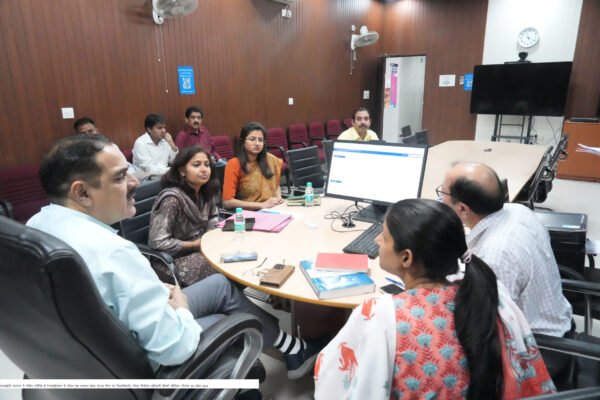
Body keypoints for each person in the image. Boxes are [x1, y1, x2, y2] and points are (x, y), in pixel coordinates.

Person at [27, 134, 321, 379]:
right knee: (231, 318)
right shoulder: (113, 252)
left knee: (221, 286)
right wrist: (180, 309)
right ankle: (292, 349)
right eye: (120, 176)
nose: (135, 181)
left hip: (98, 342)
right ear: (82, 193)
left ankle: (292, 348)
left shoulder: (37, 225)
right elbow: (175, 348)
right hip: (140, 354)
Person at [314, 199, 555, 399]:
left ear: (406, 258)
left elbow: (332, 376)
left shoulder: (380, 314)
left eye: (384, 236)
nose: (377, 240)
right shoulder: (490, 294)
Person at [439, 162, 573, 376]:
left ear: (463, 209)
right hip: (554, 316)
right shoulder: (518, 210)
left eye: (442, 193)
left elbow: (486, 327)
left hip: (539, 347)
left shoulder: (496, 255)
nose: (439, 199)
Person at [148, 145, 220, 286]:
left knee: (233, 254)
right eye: (196, 165)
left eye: (207, 165)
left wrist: (209, 234)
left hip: (202, 248)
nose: (204, 169)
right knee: (219, 265)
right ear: (182, 171)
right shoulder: (171, 199)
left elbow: (213, 216)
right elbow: (157, 242)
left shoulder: (205, 191)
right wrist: (194, 244)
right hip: (171, 260)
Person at [222, 122, 283, 210]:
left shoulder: (271, 159)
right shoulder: (234, 164)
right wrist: (261, 205)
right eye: (252, 139)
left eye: (260, 140)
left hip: (273, 209)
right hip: (249, 213)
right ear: (243, 141)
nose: (257, 143)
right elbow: (227, 202)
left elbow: (276, 186)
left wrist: (278, 198)